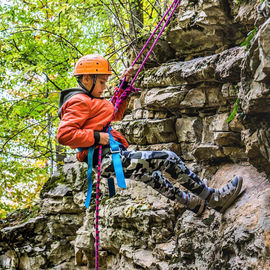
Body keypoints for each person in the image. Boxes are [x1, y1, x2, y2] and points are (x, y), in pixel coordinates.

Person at [57, 54, 243, 216]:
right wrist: (98, 138)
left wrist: (124, 84)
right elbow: (65, 135)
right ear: (88, 79)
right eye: (102, 82)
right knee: (168, 159)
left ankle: (193, 204)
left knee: (153, 176)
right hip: (106, 158)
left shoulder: (89, 100)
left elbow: (113, 113)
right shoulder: (79, 102)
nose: (104, 87)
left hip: (108, 159)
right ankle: (214, 197)